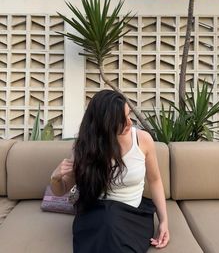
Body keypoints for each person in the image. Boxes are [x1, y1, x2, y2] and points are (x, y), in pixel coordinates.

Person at [50, 89, 169, 253]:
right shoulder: (85, 148)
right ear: (104, 123)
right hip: (96, 213)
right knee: (108, 221)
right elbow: (61, 190)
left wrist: (164, 221)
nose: (129, 123)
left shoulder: (143, 140)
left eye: (128, 116)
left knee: (112, 226)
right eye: (121, 120)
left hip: (132, 214)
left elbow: (155, 180)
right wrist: (55, 177)